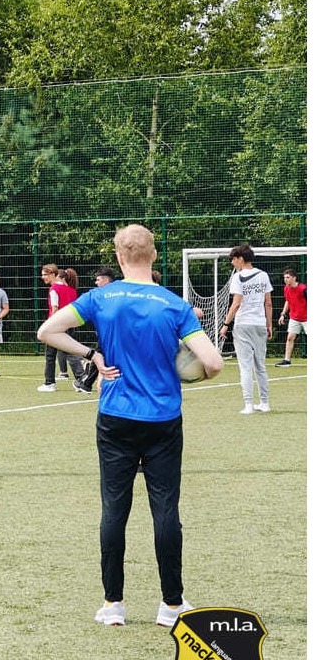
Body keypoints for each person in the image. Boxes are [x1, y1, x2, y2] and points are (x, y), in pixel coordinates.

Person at [37, 224, 223, 628]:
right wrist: (192, 375)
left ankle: (113, 605)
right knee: (165, 510)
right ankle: (171, 606)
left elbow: (47, 331)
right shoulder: (173, 304)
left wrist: (93, 355)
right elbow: (212, 363)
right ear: (154, 256)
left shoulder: (101, 297)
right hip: (163, 420)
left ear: (119, 257)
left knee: (114, 509)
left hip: (115, 417)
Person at [218, 244, 273, 414]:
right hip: (259, 323)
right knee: (260, 365)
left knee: (245, 366)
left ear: (240, 259)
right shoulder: (263, 275)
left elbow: (236, 303)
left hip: (243, 325)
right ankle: (264, 403)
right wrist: (269, 323)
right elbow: (268, 302)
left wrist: (225, 325)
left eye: (233, 260)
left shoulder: (238, 277)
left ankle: (249, 404)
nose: (232, 263)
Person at [37, 265, 91, 393]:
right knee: (69, 350)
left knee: (51, 355)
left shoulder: (54, 289)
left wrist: (49, 325)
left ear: (53, 274)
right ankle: (81, 375)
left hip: (57, 326)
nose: (43, 277)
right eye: (42, 274)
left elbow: (55, 308)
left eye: (45, 274)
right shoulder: (71, 289)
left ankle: (50, 383)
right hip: (69, 324)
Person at [276, 267, 306, 367]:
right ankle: (287, 360)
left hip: (307, 318)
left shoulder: (303, 289)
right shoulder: (286, 289)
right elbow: (288, 301)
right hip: (294, 318)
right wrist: (283, 314)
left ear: (294, 278)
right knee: (290, 338)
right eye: (284, 277)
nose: (285, 279)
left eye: (288, 277)